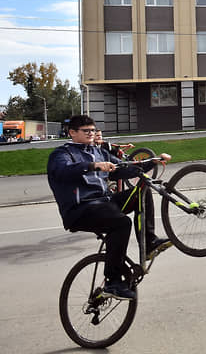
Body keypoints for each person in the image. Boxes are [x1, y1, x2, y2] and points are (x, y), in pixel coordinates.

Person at [47, 115, 172, 301]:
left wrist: (151, 162)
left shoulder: (99, 152)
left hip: (104, 203)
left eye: (93, 130)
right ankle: (113, 281)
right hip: (81, 209)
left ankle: (149, 243)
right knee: (121, 223)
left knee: (142, 192)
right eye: (86, 131)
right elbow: (63, 171)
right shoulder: (62, 154)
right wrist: (93, 166)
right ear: (72, 133)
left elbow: (123, 169)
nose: (91, 134)